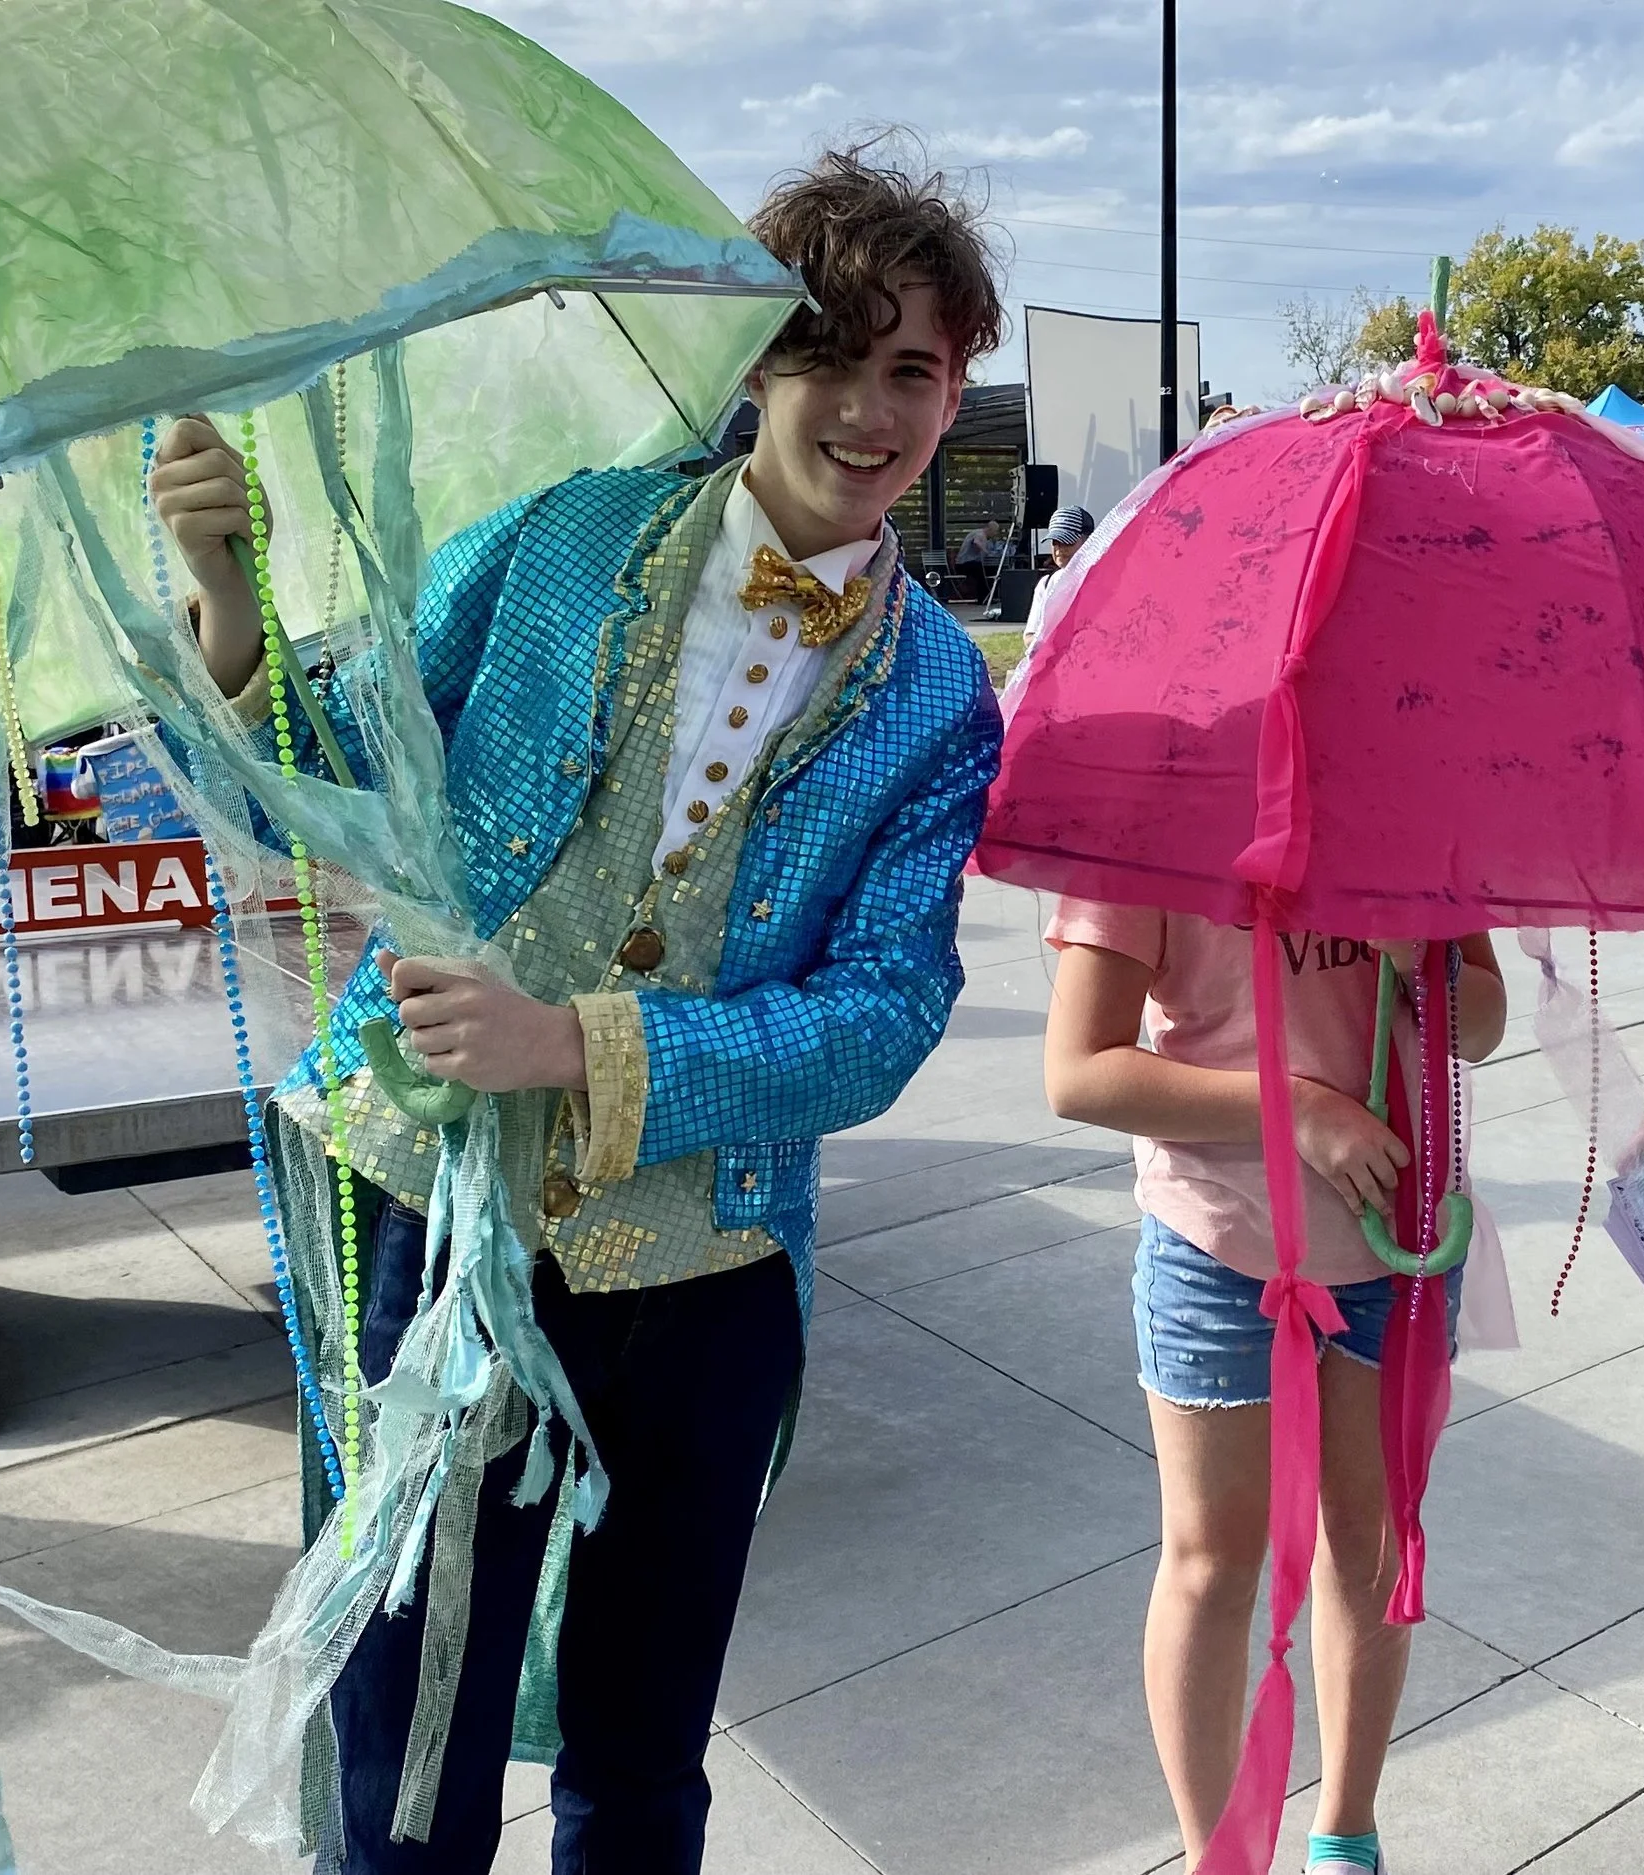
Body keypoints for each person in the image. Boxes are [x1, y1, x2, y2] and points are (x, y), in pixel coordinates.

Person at [153, 146, 1005, 1874]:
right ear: (755, 362)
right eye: (833, 353)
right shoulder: (564, 535)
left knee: (641, 1760)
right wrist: (230, 597)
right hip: (431, 1217)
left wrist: (588, 1050)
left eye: (913, 369)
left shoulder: (939, 698)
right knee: (403, 1732)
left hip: (706, 1274)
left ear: (954, 388)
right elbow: (332, 766)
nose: (870, 409)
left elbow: (890, 1012)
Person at [1044, 917, 1505, 1875]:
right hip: (1219, 1241)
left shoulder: (1418, 810)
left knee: (1368, 1543)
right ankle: (1218, 1857)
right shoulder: (1148, 812)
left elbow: (1485, 1022)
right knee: (1213, 1557)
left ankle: (1345, 1833)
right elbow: (1081, 1069)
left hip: (1400, 1239)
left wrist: (1423, 961)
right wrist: (1295, 1108)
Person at [1019, 503, 1096, 650]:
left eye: (1068, 541)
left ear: (1089, 542)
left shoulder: (1104, 582)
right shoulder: (1046, 584)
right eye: (1055, 542)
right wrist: (1045, 645)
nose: (1060, 549)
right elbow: (1030, 635)